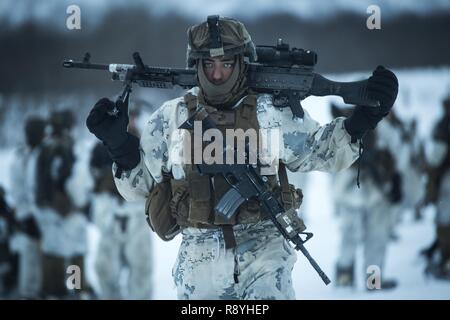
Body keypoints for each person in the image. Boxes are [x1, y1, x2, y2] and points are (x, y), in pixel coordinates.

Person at [86, 16, 398, 299]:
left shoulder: (271, 113)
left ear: (242, 63)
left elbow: (322, 152)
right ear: (196, 65)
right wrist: (121, 147)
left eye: (226, 63)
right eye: (208, 65)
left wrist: (363, 119)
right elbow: (140, 187)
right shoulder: (170, 118)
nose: (217, 73)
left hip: (265, 252)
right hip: (198, 262)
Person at [8, 116, 47, 298]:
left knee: (45, 261)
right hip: (29, 218)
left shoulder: (44, 153)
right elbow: (18, 191)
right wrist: (26, 217)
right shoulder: (19, 158)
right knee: (30, 259)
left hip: (46, 218)